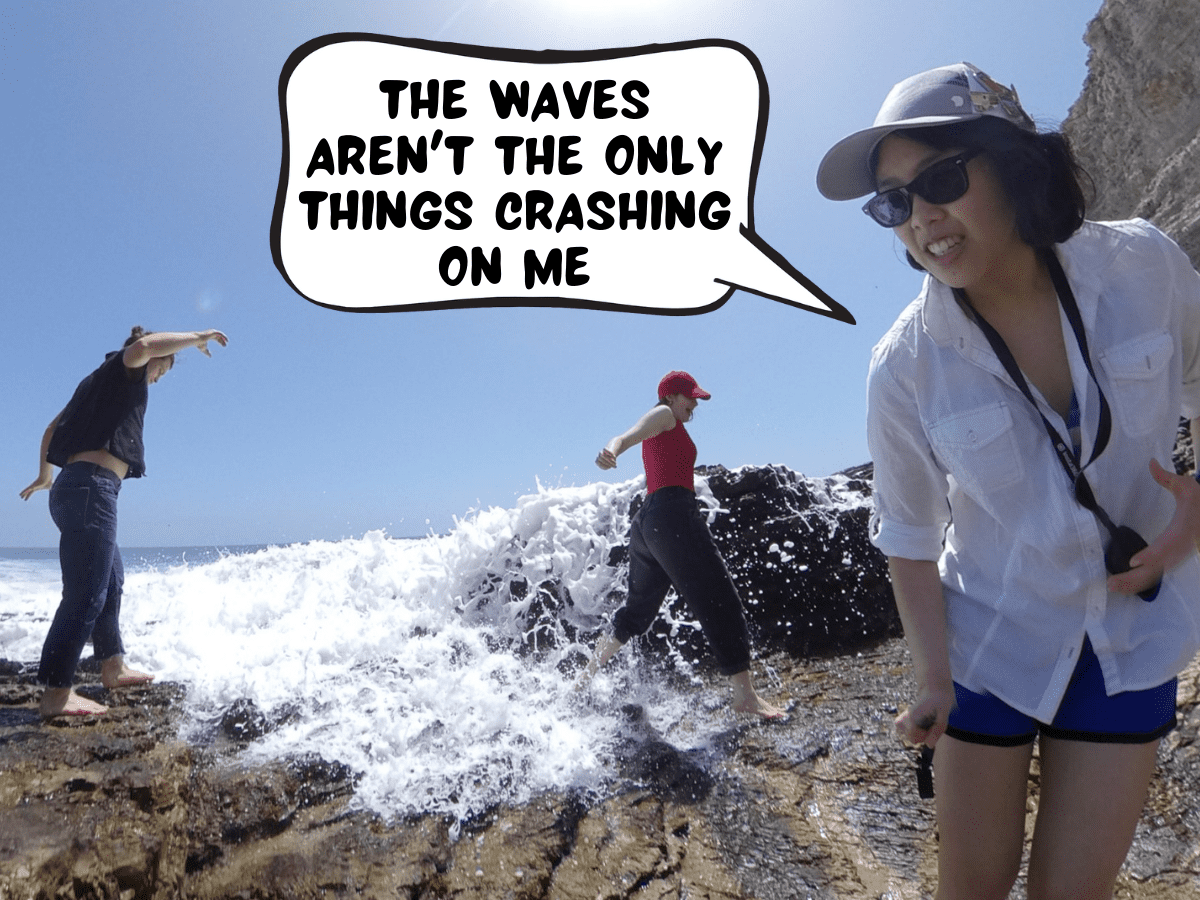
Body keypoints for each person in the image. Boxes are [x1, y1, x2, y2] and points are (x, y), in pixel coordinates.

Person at [817, 62, 1200, 899]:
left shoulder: (1143, 268)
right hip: (987, 649)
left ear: (1013, 163)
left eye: (941, 180)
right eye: (894, 203)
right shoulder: (903, 367)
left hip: (1132, 646)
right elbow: (911, 538)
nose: (922, 217)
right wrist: (931, 679)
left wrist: (1196, 514)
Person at [20, 326, 229, 719]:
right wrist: (198, 336)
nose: (157, 377)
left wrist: (45, 476)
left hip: (75, 489)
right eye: (162, 370)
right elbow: (145, 347)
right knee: (86, 593)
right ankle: (55, 694)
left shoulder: (94, 386)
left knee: (110, 579)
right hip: (91, 490)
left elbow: (51, 429)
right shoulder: (125, 368)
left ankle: (112, 666)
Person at [580, 370, 784, 720]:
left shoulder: (672, 424)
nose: (694, 404)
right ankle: (745, 697)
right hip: (672, 514)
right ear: (671, 397)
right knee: (720, 598)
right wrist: (612, 450)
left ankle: (582, 682)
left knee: (636, 613)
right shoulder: (663, 414)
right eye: (690, 398)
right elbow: (626, 436)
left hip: (649, 522)